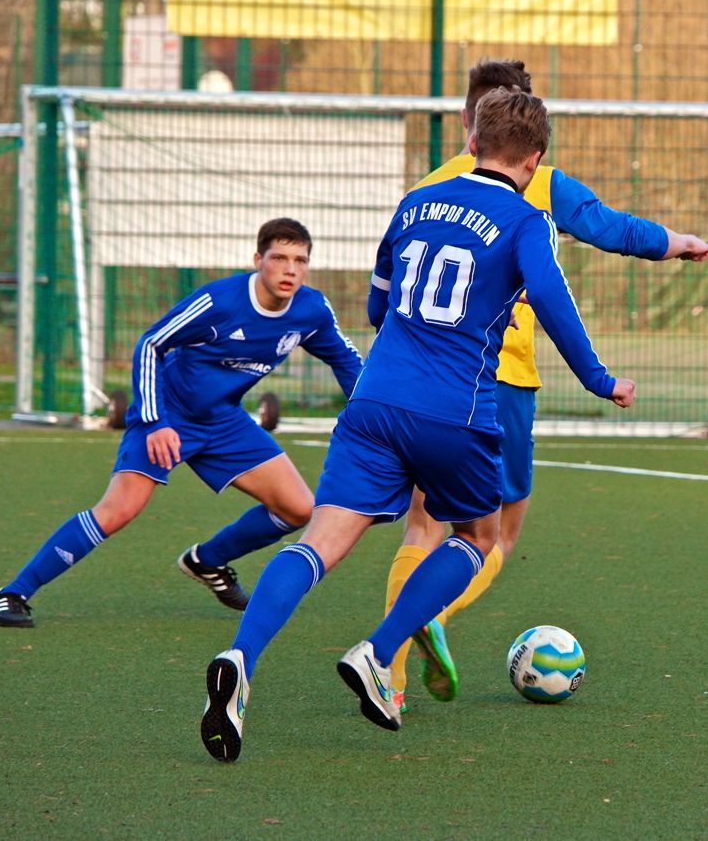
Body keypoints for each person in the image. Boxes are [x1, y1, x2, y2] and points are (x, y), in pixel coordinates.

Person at [199, 87, 635, 762]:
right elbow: (551, 298)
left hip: (374, 400)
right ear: (536, 159)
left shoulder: (415, 204)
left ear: (473, 142)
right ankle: (378, 651)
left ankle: (240, 657)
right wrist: (598, 378)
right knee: (479, 536)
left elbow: (378, 307)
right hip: (455, 411)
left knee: (321, 540)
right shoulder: (528, 221)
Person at [381, 59, 708, 712]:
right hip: (499, 380)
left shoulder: (425, 189)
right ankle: (432, 614)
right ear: (528, 136)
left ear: (467, 122)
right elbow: (609, 228)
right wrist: (677, 242)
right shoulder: (541, 186)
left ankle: (388, 678)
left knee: (421, 526)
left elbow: (390, 287)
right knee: (498, 534)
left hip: (415, 379)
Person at [0, 218, 362, 628]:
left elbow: (346, 361)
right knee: (118, 510)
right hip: (169, 413)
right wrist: (154, 421)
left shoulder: (311, 310)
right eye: (279, 258)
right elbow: (151, 343)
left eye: (300, 260)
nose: (290, 269)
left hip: (224, 419)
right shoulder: (220, 301)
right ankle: (11, 594)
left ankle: (208, 561)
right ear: (258, 260)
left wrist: (371, 414)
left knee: (298, 508)